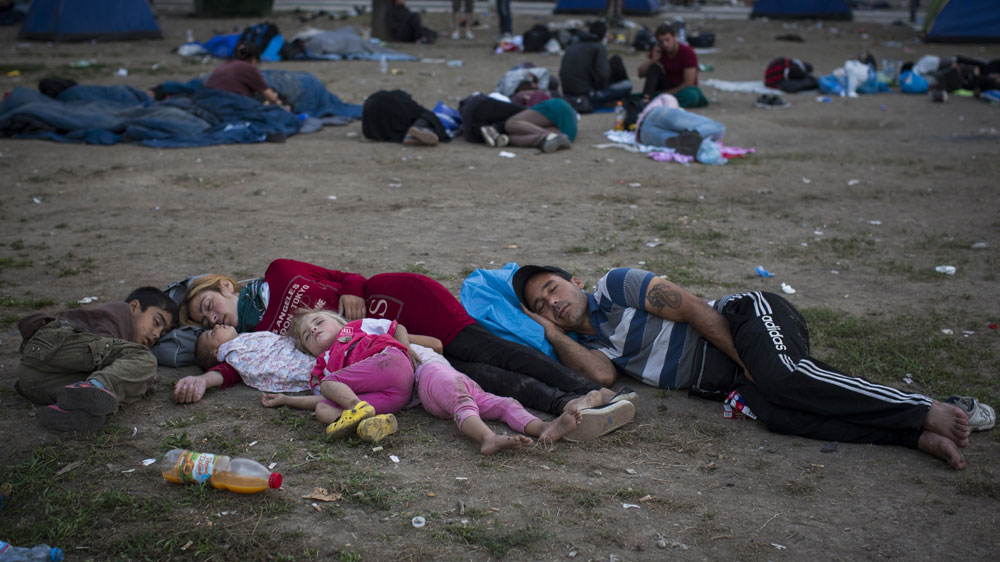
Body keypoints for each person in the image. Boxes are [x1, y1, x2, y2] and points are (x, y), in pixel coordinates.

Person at [512, 265, 995, 470]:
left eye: (553, 287)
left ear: (574, 280)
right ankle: (911, 435)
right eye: (541, 304)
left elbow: (697, 311)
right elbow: (602, 378)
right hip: (732, 379)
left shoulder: (615, 285)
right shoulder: (587, 345)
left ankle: (923, 408)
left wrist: (753, 367)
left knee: (784, 378)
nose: (553, 302)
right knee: (783, 414)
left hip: (747, 320)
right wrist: (554, 336)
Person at [172, 261, 629, 441]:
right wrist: (206, 376)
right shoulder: (265, 334)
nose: (213, 318)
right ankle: (571, 405)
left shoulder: (278, 274)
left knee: (496, 352)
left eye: (208, 305)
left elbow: (344, 277)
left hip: (399, 305)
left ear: (225, 286)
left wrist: (351, 296)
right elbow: (239, 364)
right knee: (485, 378)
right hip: (390, 345)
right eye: (204, 322)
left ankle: (589, 388)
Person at [16, 287, 177, 432]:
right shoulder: (118, 314)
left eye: (162, 333)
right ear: (134, 307)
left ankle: (65, 410)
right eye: (156, 322)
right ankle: (94, 388)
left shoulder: (124, 338)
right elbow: (100, 348)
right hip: (49, 349)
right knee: (145, 358)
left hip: (36, 382)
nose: (156, 333)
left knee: (131, 387)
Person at [407, 339, 594, 453]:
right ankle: (487, 438)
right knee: (462, 403)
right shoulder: (383, 336)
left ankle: (543, 427)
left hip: (450, 376)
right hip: (429, 373)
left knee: (505, 404)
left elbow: (435, 343)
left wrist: (405, 342)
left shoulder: (397, 334)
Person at [282, 309, 420, 440]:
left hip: (389, 362)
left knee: (327, 384)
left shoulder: (353, 328)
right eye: (307, 336)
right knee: (322, 408)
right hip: (395, 397)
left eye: (319, 322)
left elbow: (396, 327)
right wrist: (286, 400)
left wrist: (406, 346)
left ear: (338, 321)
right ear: (310, 351)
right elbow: (325, 397)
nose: (313, 329)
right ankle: (367, 425)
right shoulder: (321, 366)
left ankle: (357, 408)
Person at [558, 20, 631, 108]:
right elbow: (603, 74)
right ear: (604, 34)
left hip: (567, 93)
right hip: (587, 95)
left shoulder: (574, 44)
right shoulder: (598, 47)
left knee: (615, 62)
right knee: (627, 85)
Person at [637, 24, 707, 108]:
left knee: (691, 96)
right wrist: (652, 60)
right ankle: (648, 99)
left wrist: (665, 93)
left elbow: (689, 83)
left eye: (667, 40)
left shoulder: (687, 52)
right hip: (666, 86)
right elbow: (640, 74)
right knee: (654, 67)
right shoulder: (658, 50)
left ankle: (657, 100)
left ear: (675, 37)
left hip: (682, 90)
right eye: (661, 41)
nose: (665, 44)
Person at [204, 42, 290, 110]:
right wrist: (281, 105)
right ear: (253, 59)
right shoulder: (248, 68)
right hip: (228, 104)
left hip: (208, 100)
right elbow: (270, 96)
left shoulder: (225, 64)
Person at [635, 93, 725, 156]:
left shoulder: (650, 105)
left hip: (643, 136)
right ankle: (696, 134)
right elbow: (673, 110)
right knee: (718, 127)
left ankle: (689, 139)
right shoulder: (667, 97)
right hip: (657, 114)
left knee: (683, 140)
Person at [362, 89, 448, 147]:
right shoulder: (402, 100)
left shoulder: (389, 96)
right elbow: (420, 112)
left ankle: (411, 134)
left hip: (371, 125)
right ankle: (419, 128)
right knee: (427, 116)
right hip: (387, 108)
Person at [501, 97, 577, 153]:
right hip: (568, 123)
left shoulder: (520, 95)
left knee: (511, 124)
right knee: (511, 138)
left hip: (554, 107)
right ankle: (548, 138)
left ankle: (548, 136)